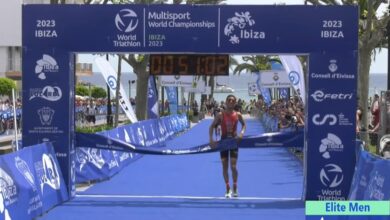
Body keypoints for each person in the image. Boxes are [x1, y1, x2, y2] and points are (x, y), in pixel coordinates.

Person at [209, 94, 246, 198]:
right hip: (223, 143)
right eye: (229, 100)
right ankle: (227, 188)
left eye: (232, 100)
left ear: (235, 103)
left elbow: (244, 125)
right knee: (224, 167)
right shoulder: (220, 115)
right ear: (226, 102)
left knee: (233, 166)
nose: (230, 102)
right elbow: (211, 127)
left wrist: (242, 133)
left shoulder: (238, 114)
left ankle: (235, 186)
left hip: (234, 142)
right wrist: (211, 139)